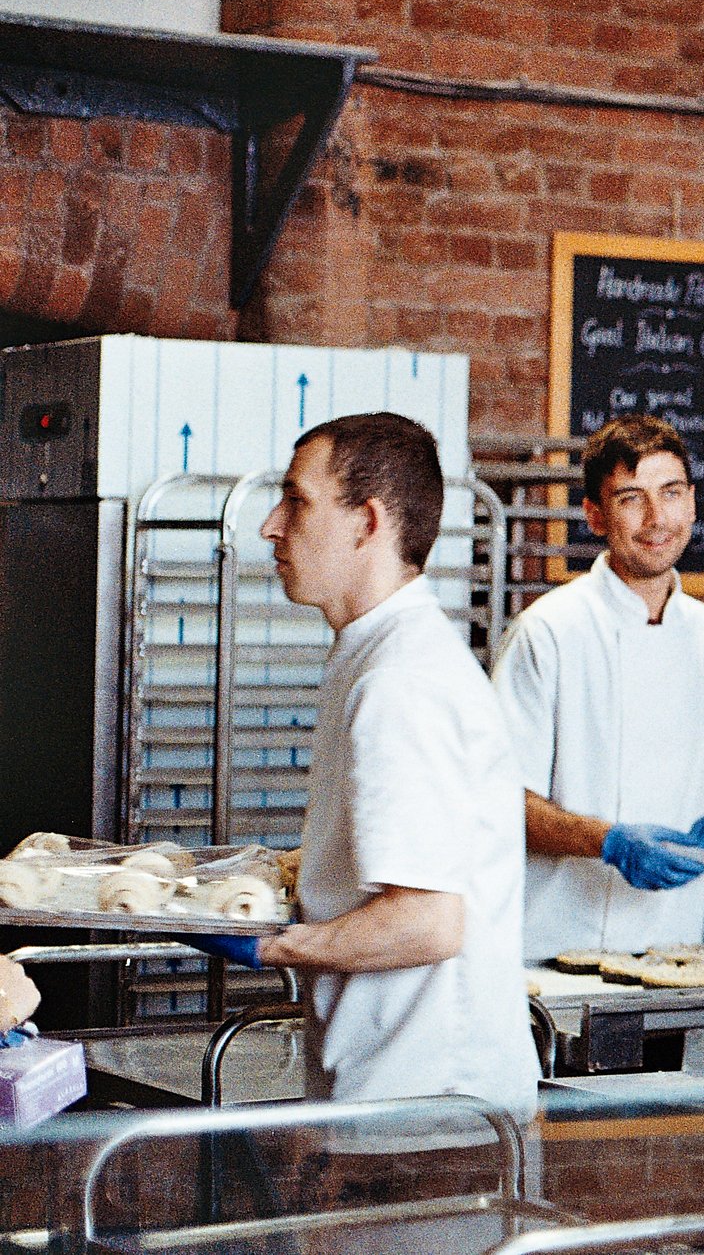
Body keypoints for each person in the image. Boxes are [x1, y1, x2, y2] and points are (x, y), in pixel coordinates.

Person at [193, 413, 536, 1113]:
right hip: (405, 1095)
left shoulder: (400, 681)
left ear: (366, 522)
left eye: (296, 500)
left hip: (428, 1111)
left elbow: (427, 921)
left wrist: (274, 947)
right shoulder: (378, 655)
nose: (270, 526)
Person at [492, 415, 704, 963]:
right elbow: (497, 800)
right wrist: (607, 842)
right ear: (595, 516)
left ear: (692, 503)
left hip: (672, 950)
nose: (656, 518)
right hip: (549, 951)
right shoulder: (547, 632)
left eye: (670, 494)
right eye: (630, 499)